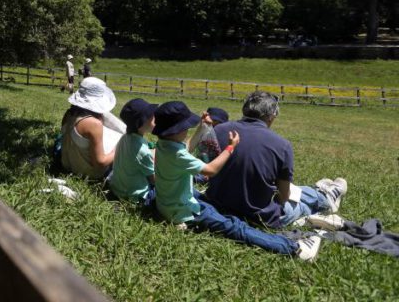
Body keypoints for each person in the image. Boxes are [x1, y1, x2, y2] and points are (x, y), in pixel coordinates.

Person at [153, 100, 322, 261]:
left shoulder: (164, 145)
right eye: (187, 127)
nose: (187, 130)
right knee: (234, 227)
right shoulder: (178, 154)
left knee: (209, 203)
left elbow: (187, 148)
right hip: (183, 210)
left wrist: (201, 129)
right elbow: (210, 170)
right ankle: (293, 249)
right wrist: (230, 148)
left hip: (167, 203)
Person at [206, 91, 347, 229]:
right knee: (297, 202)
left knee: (298, 191)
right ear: (272, 116)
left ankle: (321, 192)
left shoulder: (218, 131)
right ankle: (326, 197)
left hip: (218, 207)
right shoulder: (282, 145)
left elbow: (206, 169)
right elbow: (284, 197)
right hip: (259, 218)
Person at [60, 77, 117, 180]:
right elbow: (100, 162)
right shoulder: (93, 124)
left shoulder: (69, 114)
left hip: (68, 166)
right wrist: (118, 149)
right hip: (88, 174)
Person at [108, 98, 158, 206]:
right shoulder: (143, 152)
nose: (154, 116)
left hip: (118, 189)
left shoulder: (125, 138)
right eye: (150, 116)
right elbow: (154, 181)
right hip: (135, 196)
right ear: (140, 123)